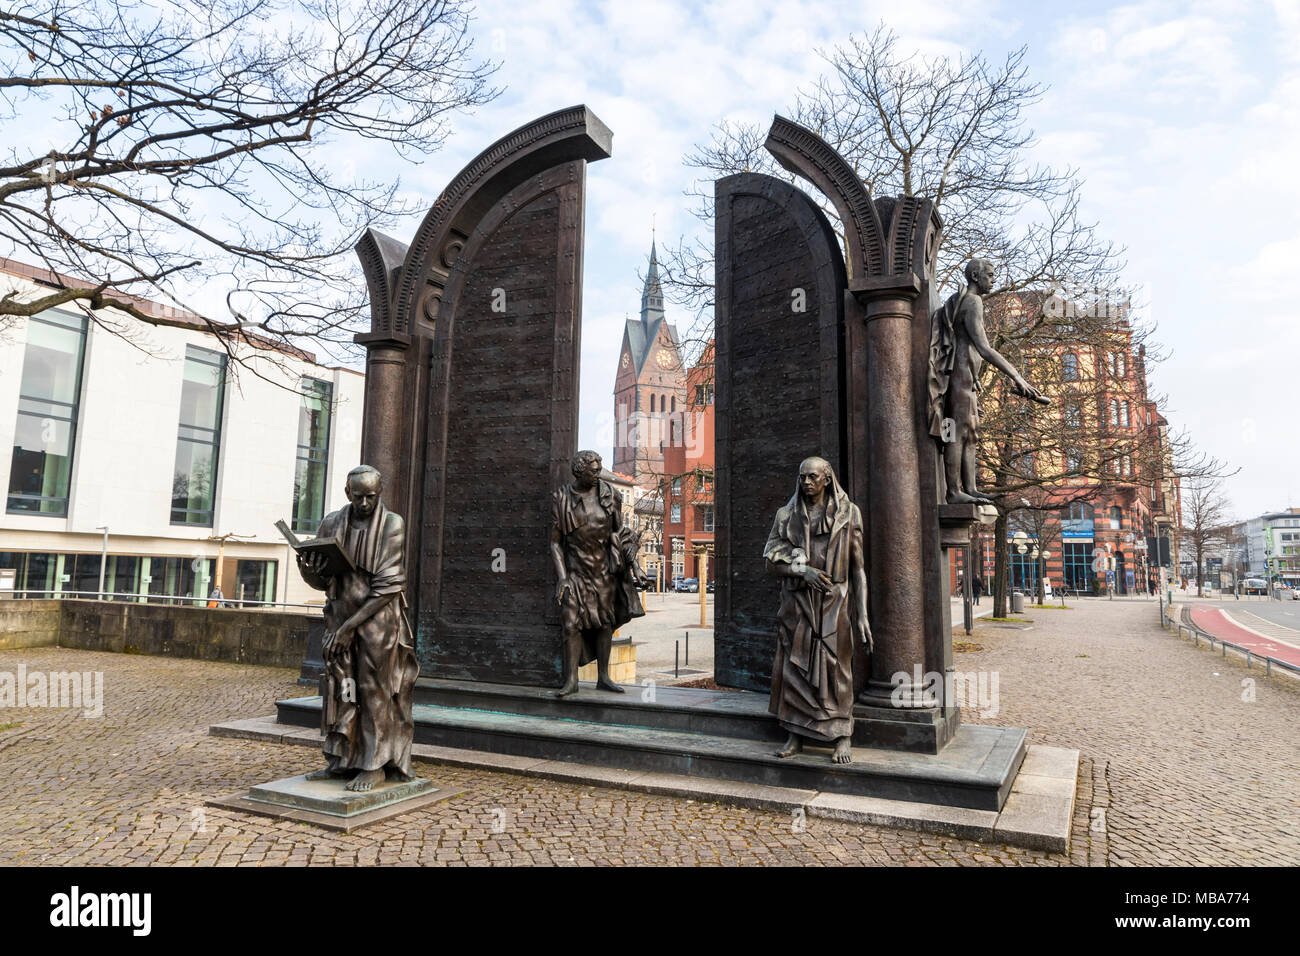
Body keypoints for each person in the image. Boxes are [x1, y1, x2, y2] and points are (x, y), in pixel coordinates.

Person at [296, 465, 418, 793]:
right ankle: (343, 758)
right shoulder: (332, 522)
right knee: (343, 687)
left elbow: (388, 586)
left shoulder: (393, 525)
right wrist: (308, 571)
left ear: (380, 493)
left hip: (377, 622)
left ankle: (374, 763)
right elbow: (323, 582)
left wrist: (351, 627)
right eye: (359, 496)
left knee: (373, 690)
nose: (365, 503)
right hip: (339, 617)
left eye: (372, 497)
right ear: (347, 493)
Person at [764, 457, 871, 765]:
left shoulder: (849, 515)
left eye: (812, 477)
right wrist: (803, 571)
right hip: (797, 603)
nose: (806, 482)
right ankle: (795, 734)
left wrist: (862, 614)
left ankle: (842, 735)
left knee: (836, 667)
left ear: (827, 479)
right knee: (795, 667)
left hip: (834, 601)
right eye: (802, 477)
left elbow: (858, 569)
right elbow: (770, 560)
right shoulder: (786, 516)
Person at [927, 258, 1051, 503]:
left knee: (970, 434)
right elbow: (983, 348)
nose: (994, 280)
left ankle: (970, 489)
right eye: (990, 275)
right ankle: (954, 492)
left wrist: (977, 378)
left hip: (967, 378)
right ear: (975, 276)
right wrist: (1017, 376)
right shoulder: (972, 301)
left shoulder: (965, 300)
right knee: (956, 432)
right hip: (960, 378)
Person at [551, 450, 649, 698]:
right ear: (579, 471)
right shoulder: (562, 498)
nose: (598, 474)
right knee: (571, 624)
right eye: (593, 471)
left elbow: (620, 534)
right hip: (575, 572)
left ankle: (603, 676)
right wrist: (562, 577)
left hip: (604, 571)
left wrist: (634, 564)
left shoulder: (609, 495)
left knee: (605, 623)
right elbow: (555, 543)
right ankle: (571, 679)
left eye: (599, 469)